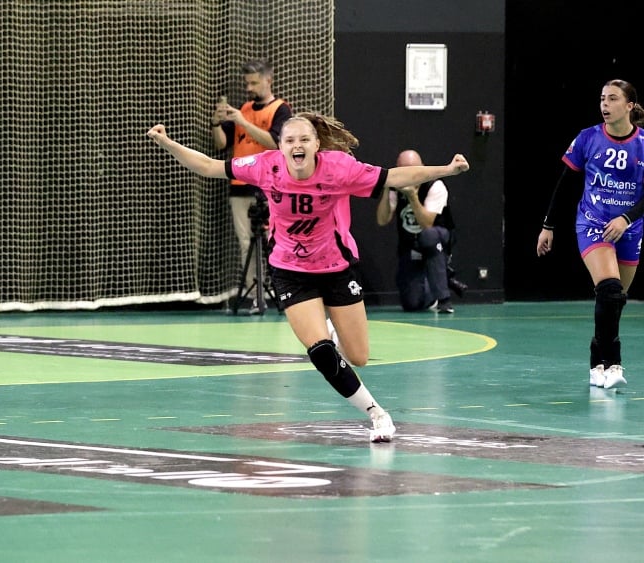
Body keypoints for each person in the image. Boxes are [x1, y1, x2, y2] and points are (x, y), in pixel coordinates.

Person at [147, 112, 470, 442]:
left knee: (358, 356)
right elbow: (209, 166)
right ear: (281, 146)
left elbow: (394, 176)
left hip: (336, 267)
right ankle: (377, 413)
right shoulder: (265, 166)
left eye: (304, 139)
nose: (296, 145)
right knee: (320, 350)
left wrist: (447, 170)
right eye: (289, 140)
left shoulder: (339, 168)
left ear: (316, 144)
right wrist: (167, 142)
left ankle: (331, 329)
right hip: (290, 271)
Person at [537, 79, 644, 390]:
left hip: (629, 226)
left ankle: (596, 360)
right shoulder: (588, 138)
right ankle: (611, 364)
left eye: (612, 99)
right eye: (602, 99)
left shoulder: (642, 144)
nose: (605, 105)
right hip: (593, 222)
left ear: (629, 106)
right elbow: (565, 183)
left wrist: (627, 218)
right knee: (610, 289)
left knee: (614, 301)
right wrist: (548, 225)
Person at [211, 60, 292, 309]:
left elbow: (275, 142)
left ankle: (282, 291)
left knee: (272, 241)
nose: (250, 88)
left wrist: (245, 123)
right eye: (247, 83)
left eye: (254, 83)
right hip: (240, 183)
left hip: (269, 185)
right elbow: (221, 144)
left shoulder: (280, 109)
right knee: (245, 243)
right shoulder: (243, 108)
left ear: (269, 80)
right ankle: (254, 294)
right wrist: (216, 123)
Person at [376, 149, 465, 313]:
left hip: (438, 238)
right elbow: (382, 220)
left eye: (414, 169)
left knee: (429, 236)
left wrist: (412, 197)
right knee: (411, 303)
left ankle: (444, 299)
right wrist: (387, 188)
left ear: (422, 168)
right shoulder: (397, 187)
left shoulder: (435, 186)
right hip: (411, 245)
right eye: (404, 171)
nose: (410, 175)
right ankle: (437, 285)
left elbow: (426, 224)